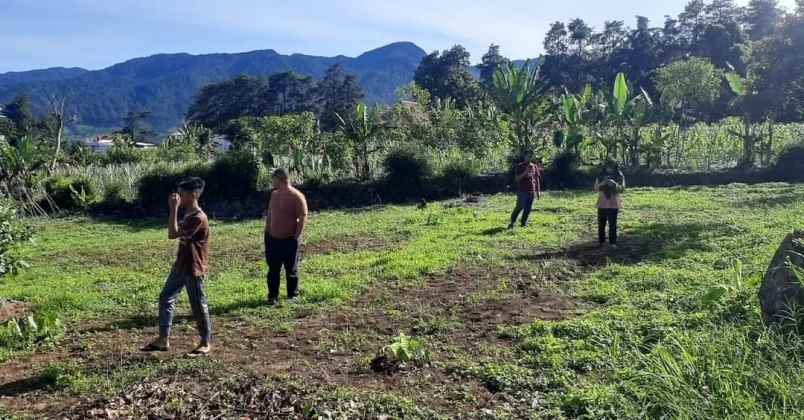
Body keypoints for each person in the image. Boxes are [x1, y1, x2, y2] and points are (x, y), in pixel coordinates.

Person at [142, 177, 212, 357]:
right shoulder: (189, 215)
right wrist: (175, 210)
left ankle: (205, 342)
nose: (179, 197)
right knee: (166, 297)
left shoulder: (198, 217)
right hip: (181, 265)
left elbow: (172, 234)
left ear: (194, 195)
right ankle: (163, 339)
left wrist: (173, 209)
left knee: (198, 304)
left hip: (193, 268)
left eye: (182, 194)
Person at [264, 168, 308, 306]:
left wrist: (296, 236)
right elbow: (270, 213)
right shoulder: (274, 195)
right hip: (272, 238)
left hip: (289, 239)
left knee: (291, 269)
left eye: (273, 179)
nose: (272, 182)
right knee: (273, 269)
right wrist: (267, 231)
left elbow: (302, 217)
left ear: (279, 179)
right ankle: (273, 296)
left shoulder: (296, 196)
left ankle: (292, 295)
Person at [594, 162, 625, 247]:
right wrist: (603, 183)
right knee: (601, 223)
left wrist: (614, 184)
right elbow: (596, 188)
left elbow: (622, 189)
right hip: (602, 202)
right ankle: (601, 241)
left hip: (614, 202)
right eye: (608, 166)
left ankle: (613, 242)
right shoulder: (600, 175)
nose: (609, 168)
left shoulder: (619, 175)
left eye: (611, 166)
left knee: (613, 224)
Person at [509, 151, 542, 229]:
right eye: (528, 156)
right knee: (519, 207)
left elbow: (536, 179)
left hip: (532, 191)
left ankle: (523, 223)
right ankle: (512, 221)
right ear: (525, 156)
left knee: (528, 208)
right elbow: (517, 179)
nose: (529, 158)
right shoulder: (520, 166)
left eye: (531, 156)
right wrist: (525, 172)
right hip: (522, 191)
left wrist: (538, 191)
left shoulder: (534, 166)